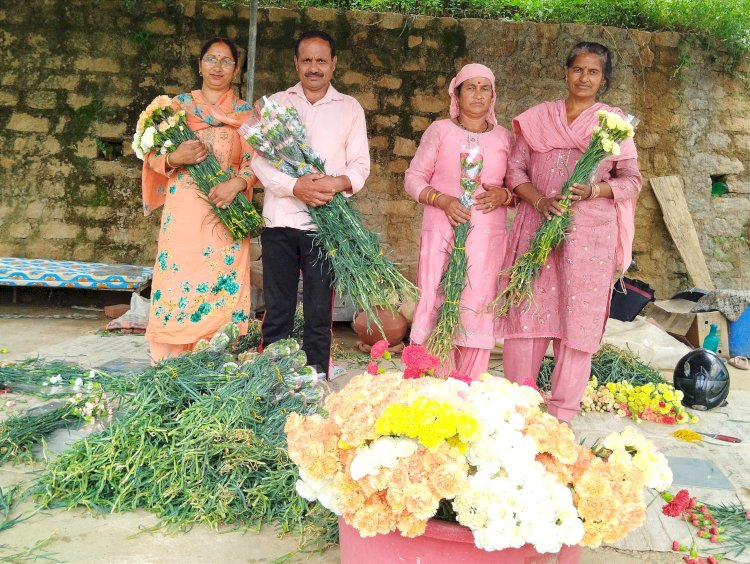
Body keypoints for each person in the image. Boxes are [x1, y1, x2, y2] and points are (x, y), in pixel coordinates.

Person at [497, 42, 642, 421]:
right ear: (566, 72)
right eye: (578, 69)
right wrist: (541, 201)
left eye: (593, 72)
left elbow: (631, 181)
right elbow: (515, 172)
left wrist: (595, 190)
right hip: (536, 227)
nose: (584, 77)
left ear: (603, 80)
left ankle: (562, 412)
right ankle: (519, 405)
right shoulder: (537, 119)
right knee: (527, 310)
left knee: (577, 318)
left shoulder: (615, 126)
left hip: (589, 236)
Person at [251, 30, 370, 378]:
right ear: (296, 64)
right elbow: (259, 162)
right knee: (278, 309)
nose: (314, 67)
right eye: (307, 60)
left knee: (320, 312)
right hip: (280, 222)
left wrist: (335, 183)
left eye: (321, 60)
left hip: (325, 228)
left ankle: (316, 375)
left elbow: (360, 165)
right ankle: (272, 377)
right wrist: (294, 187)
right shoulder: (276, 105)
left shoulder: (349, 108)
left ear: (333, 64)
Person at [141, 37, 257, 363]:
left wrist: (237, 182)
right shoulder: (175, 109)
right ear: (199, 64)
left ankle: (217, 366)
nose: (218, 67)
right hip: (184, 220)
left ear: (236, 69)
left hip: (225, 215)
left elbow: (256, 162)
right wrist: (175, 155)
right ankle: (171, 368)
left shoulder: (247, 114)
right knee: (179, 283)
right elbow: (152, 156)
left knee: (221, 289)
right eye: (211, 59)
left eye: (226, 61)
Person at [404, 63, 513, 380]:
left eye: (484, 88)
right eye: (470, 87)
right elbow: (413, 179)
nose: (477, 94)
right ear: (457, 93)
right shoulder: (440, 131)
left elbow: (519, 188)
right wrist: (443, 200)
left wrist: (504, 196)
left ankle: (467, 385)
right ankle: (431, 382)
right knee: (438, 297)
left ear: (493, 95)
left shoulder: (505, 138)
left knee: (476, 302)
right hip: (442, 234)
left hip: (485, 241)